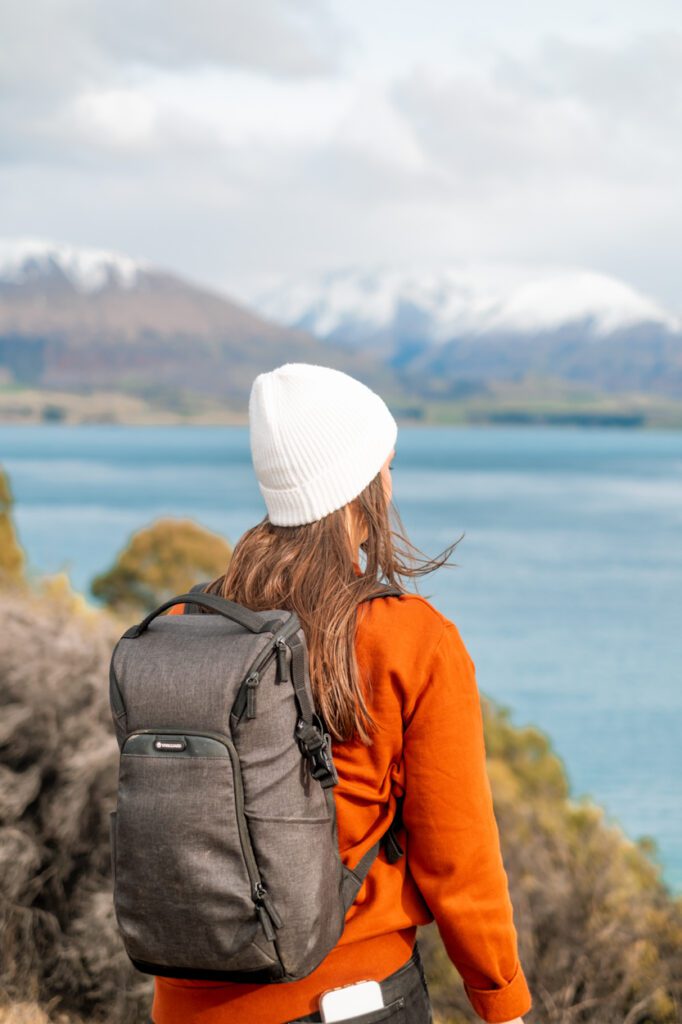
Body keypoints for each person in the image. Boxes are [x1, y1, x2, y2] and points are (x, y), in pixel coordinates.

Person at [149, 362, 532, 1024]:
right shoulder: (409, 638)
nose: (390, 481)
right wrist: (503, 1002)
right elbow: (458, 861)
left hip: (186, 1005)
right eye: (386, 465)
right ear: (358, 485)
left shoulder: (185, 625)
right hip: (351, 1002)